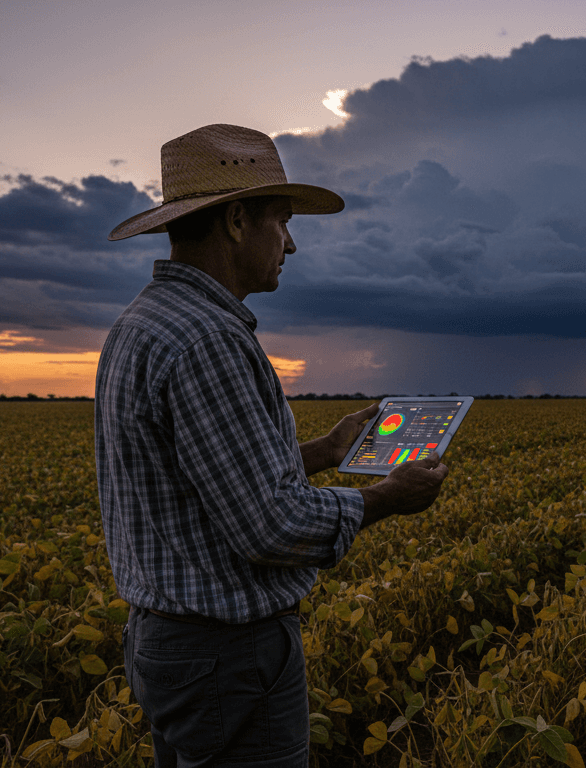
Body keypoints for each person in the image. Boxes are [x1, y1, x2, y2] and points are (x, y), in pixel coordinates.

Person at [96, 123, 449, 767]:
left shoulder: (142, 322)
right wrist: (388, 499)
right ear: (236, 221)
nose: (291, 243)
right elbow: (271, 525)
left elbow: (206, 479)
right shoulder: (209, 339)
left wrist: (324, 449)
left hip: (169, 647)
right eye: (282, 221)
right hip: (228, 657)